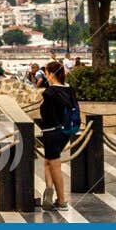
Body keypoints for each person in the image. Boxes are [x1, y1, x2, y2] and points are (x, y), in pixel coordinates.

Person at [35, 61, 79, 213]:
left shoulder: (49, 92)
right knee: (48, 162)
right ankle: (48, 192)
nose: (45, 76)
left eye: (46, 73)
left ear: (51, 74)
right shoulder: (69, 89)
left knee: (55, 165)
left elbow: (45, 114)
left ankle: (61, 200)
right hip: (65, 131)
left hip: (51, 132)